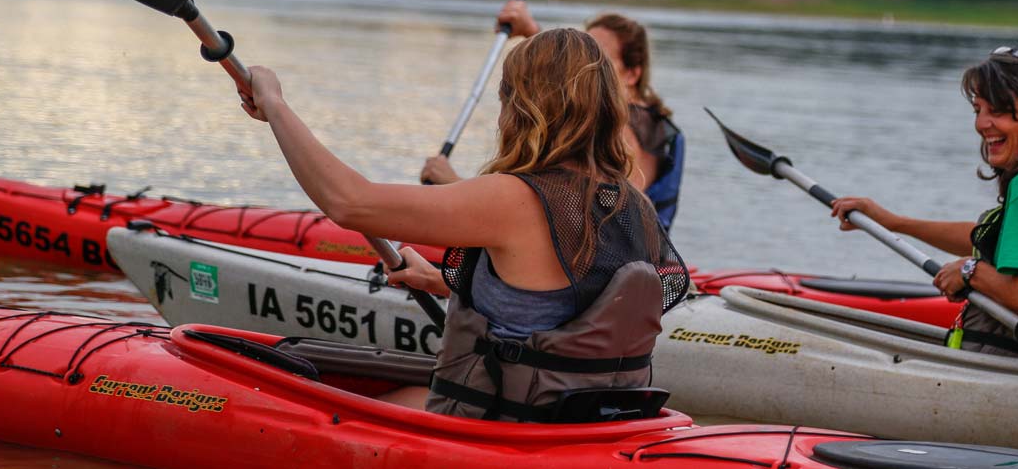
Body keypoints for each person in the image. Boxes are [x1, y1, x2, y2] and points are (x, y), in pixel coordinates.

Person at [241, 28, 689, 421]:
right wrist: (442, 281)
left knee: (309, 406)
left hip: (503, 425)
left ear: (523, 105)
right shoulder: (634, 204)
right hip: (579, 424)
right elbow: (569, 308)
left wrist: (276, 106)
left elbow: (349, 202)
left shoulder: (514, 196)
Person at [830, 47, 1018, 358]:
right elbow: (993, 238)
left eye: (999, 111)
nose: (982, 124)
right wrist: (893, 223)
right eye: (978, 110)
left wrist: (971, 271)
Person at [421, 1, 687, 232]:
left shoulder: (624, 128)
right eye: (585, 52)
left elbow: (607, 221)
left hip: (612, 270)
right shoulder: (642, 119)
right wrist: (531, 31)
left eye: (599, 57)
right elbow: (563, 73)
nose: (585, 62)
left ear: (632, 74)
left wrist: (453, 185)